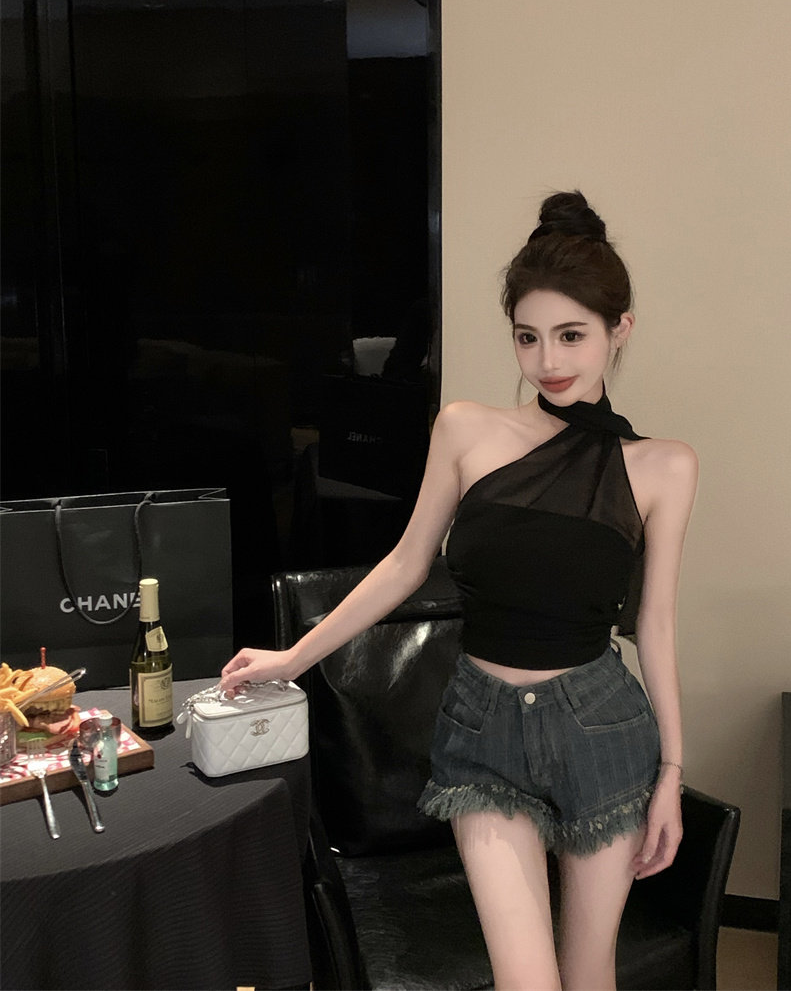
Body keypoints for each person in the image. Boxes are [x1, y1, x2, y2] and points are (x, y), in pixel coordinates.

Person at [220, 190, 698, 991]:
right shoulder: (466, 430)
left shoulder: (664, 466)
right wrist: (292, 658)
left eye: (572, 335)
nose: (548, 360)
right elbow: (405, 566)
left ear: (619, 330)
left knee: (590, 976)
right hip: (482, 731)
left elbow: (655, 626)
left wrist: (673, 774)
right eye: (527, 336)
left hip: (603, 729)